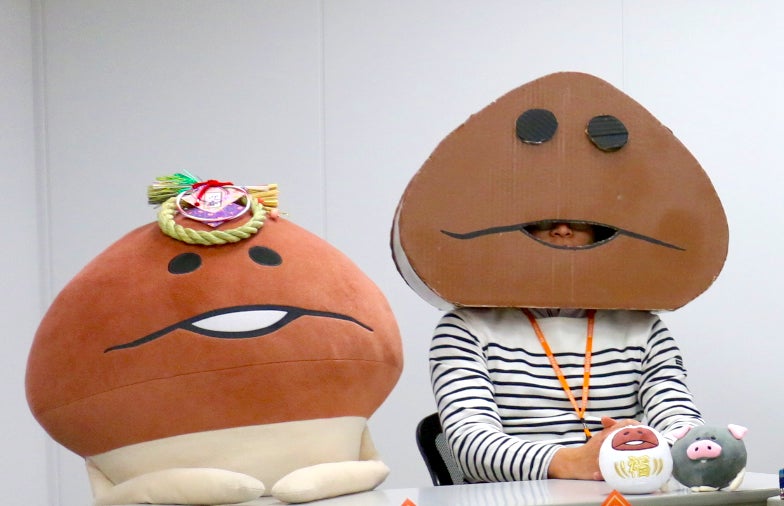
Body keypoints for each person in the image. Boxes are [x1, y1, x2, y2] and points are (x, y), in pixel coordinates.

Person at [430, 221, 704, 483]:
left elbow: (686, 428)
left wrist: (639, 450)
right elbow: (470, 446)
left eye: (579, 221)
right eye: (543, 220)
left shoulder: (643, 329)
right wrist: (573, 461)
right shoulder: (466, 328)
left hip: (620, 494)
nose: (562, 230)